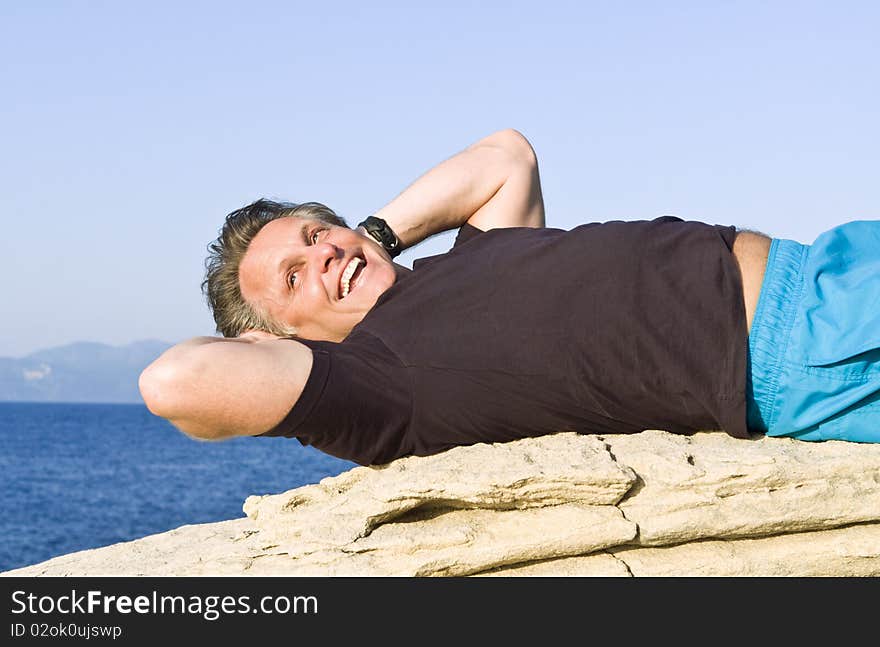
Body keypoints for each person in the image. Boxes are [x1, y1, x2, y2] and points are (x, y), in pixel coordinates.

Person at [139, 129, 880, 466]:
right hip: (806, 349)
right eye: (294, 278)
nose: (323, 251)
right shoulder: (378, 386)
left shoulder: (471, 255)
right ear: (281, 338)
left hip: (822, 262)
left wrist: (373, 235)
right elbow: (173, 381)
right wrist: (275, 357)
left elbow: (504, 157)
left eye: (315, 232)